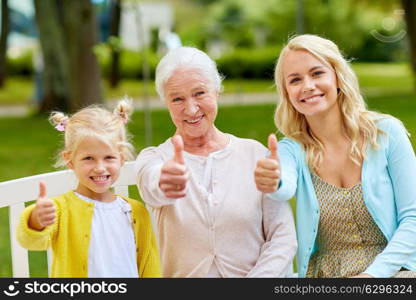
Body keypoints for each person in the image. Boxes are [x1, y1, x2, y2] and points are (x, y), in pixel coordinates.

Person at [254, 34, 416, 278]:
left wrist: (371, 277)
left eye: (317, 73)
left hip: (394, 271)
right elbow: (283, 186)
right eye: (295, 80)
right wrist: (274, 180)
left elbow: (413, 217)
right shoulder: (290, 149)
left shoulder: (386, 133)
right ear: (287, 93)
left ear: (338, 77)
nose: (308, 86)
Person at [135, 46, 297, 278]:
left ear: (217, 91)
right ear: (166, 103)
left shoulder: (254, 154)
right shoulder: (154, 159)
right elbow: (153, 184)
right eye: (177, 99)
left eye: (200, 93)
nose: (190, 109)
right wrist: (166, 181)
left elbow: (283, 238)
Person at [16, 99, 161, 278]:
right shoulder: (60, 210)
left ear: (122, 158)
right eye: (88, 158)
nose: (100, 167)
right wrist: (37, 219)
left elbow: (149, 266)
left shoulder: (136, 212)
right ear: (70, 160)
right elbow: (31, 241)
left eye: (109, 157)